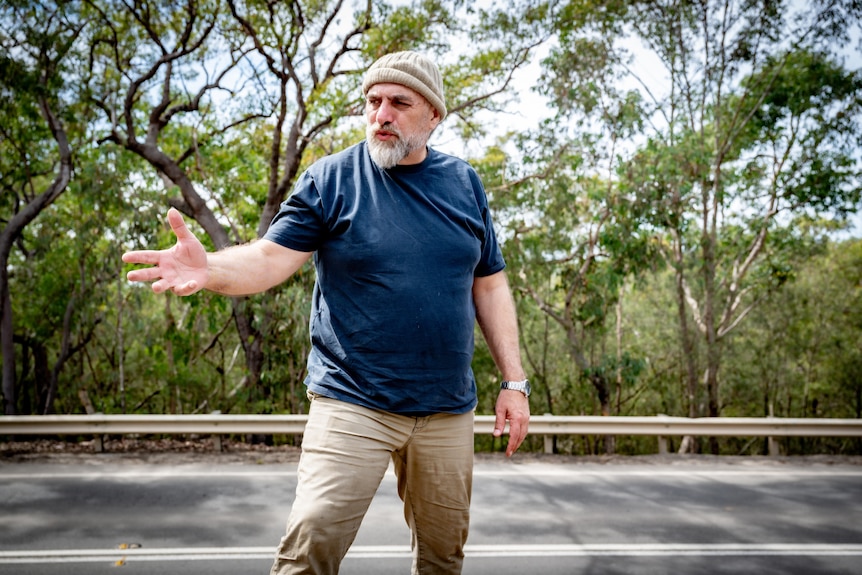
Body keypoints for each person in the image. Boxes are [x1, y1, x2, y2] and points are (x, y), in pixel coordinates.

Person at [122, 50, 530, 575]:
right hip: (353, 400)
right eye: (373, 101)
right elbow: (269, 257)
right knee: (309, 548)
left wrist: (513, 383)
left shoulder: (463, 184)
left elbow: (490, 282)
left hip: (446, 408)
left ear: (434, 115)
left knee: (443, 558)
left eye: (399, 103)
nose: (381, 113)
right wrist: (212, 270)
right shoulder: (331, 179)